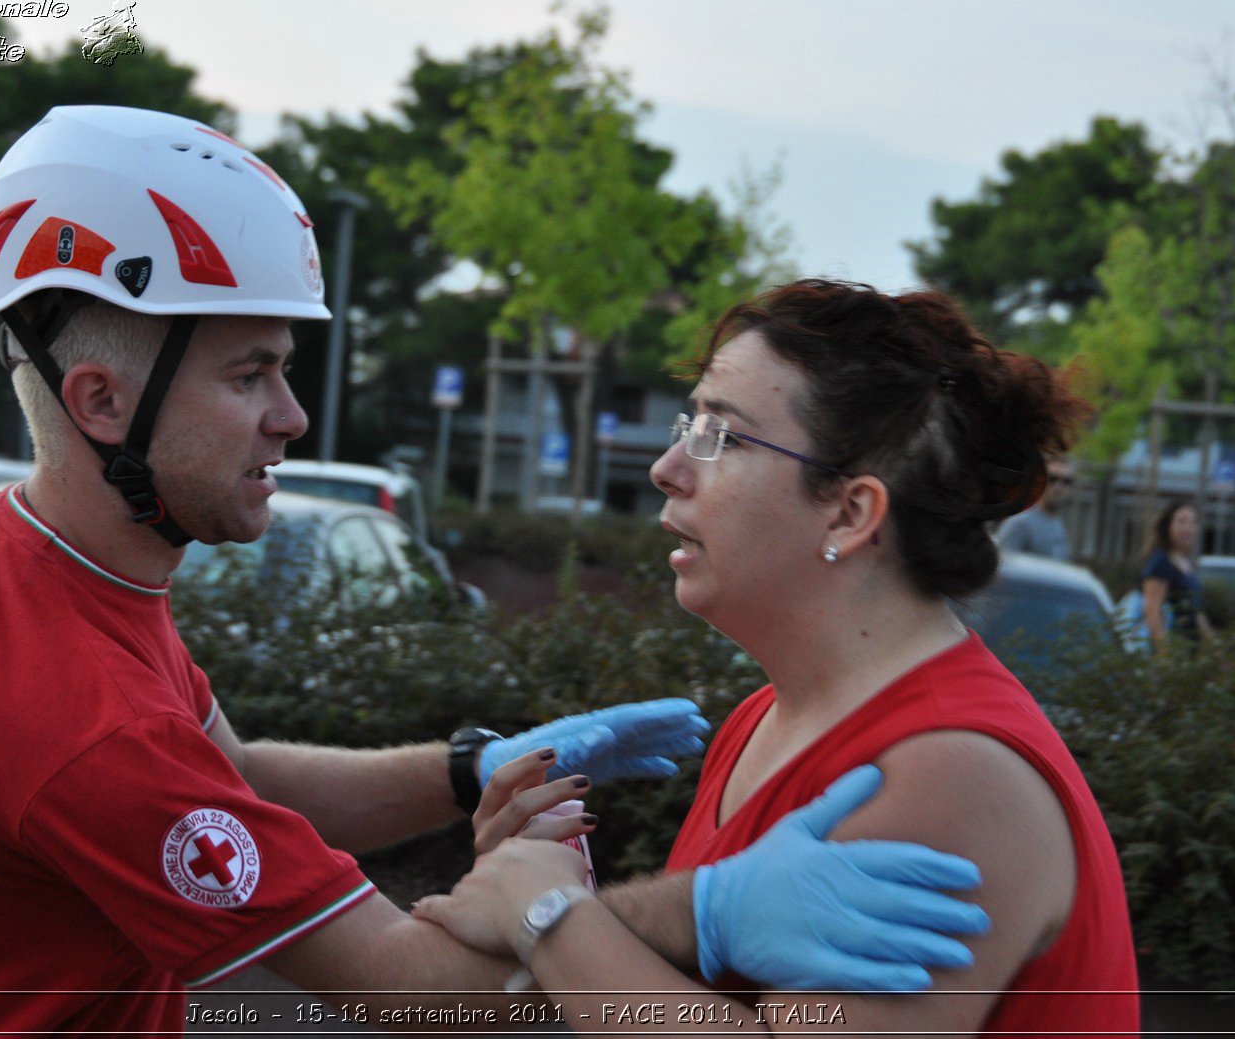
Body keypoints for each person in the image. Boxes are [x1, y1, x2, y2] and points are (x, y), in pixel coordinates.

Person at [0, 109, 990, 1035]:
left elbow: (236, 775)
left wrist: (478, 761)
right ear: (103, 401)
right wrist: (693, 904)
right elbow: (425, 995)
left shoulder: (6, 551)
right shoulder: (79, 719)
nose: (292, 416)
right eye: (252, 374)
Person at [416, 279, 1140, 1034]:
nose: (667, 467)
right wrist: (552, 883)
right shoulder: (767, 716)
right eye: (686, 422)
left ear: (851, 511)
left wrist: (547, 912)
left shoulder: (949, 772)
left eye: (719, 435)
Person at [1139, 498, 1215, 650]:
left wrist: (1214, 645)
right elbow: (1152, 610)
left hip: (1188, 652)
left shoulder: (1187, 563)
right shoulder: (1161, 561)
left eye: (1192, 523)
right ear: (1168, 527)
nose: (1188, 528)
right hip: (1172, 653)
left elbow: (1195, 612)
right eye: (1181, 522)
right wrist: (1163, 654)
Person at [994, 455, 1075, 560]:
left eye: (1066, 481)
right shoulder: (1020, 523)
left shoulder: (1057, 522)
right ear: (1039, 482)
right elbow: (1003, 567)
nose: (1059, 487)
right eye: (1052, 479)